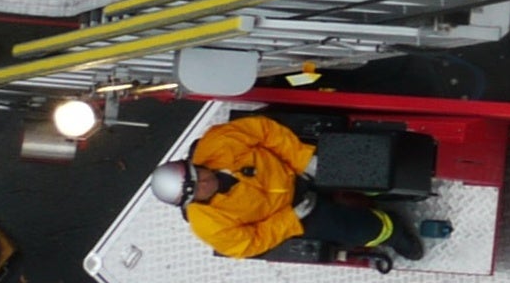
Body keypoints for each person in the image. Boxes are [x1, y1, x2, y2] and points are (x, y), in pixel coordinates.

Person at [145, 112, 451, 269]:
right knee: (353, 228)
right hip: (291, 214)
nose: (205, 182)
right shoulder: (208, 225)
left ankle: (390, 192)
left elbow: (266, 132)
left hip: (297, 168)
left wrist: (306, 160)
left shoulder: (217, 143)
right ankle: (391, 230)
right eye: (197, 189)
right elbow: (250, 243)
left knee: (366, 172)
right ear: (189, 202)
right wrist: (290, 219)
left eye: (199, 174)